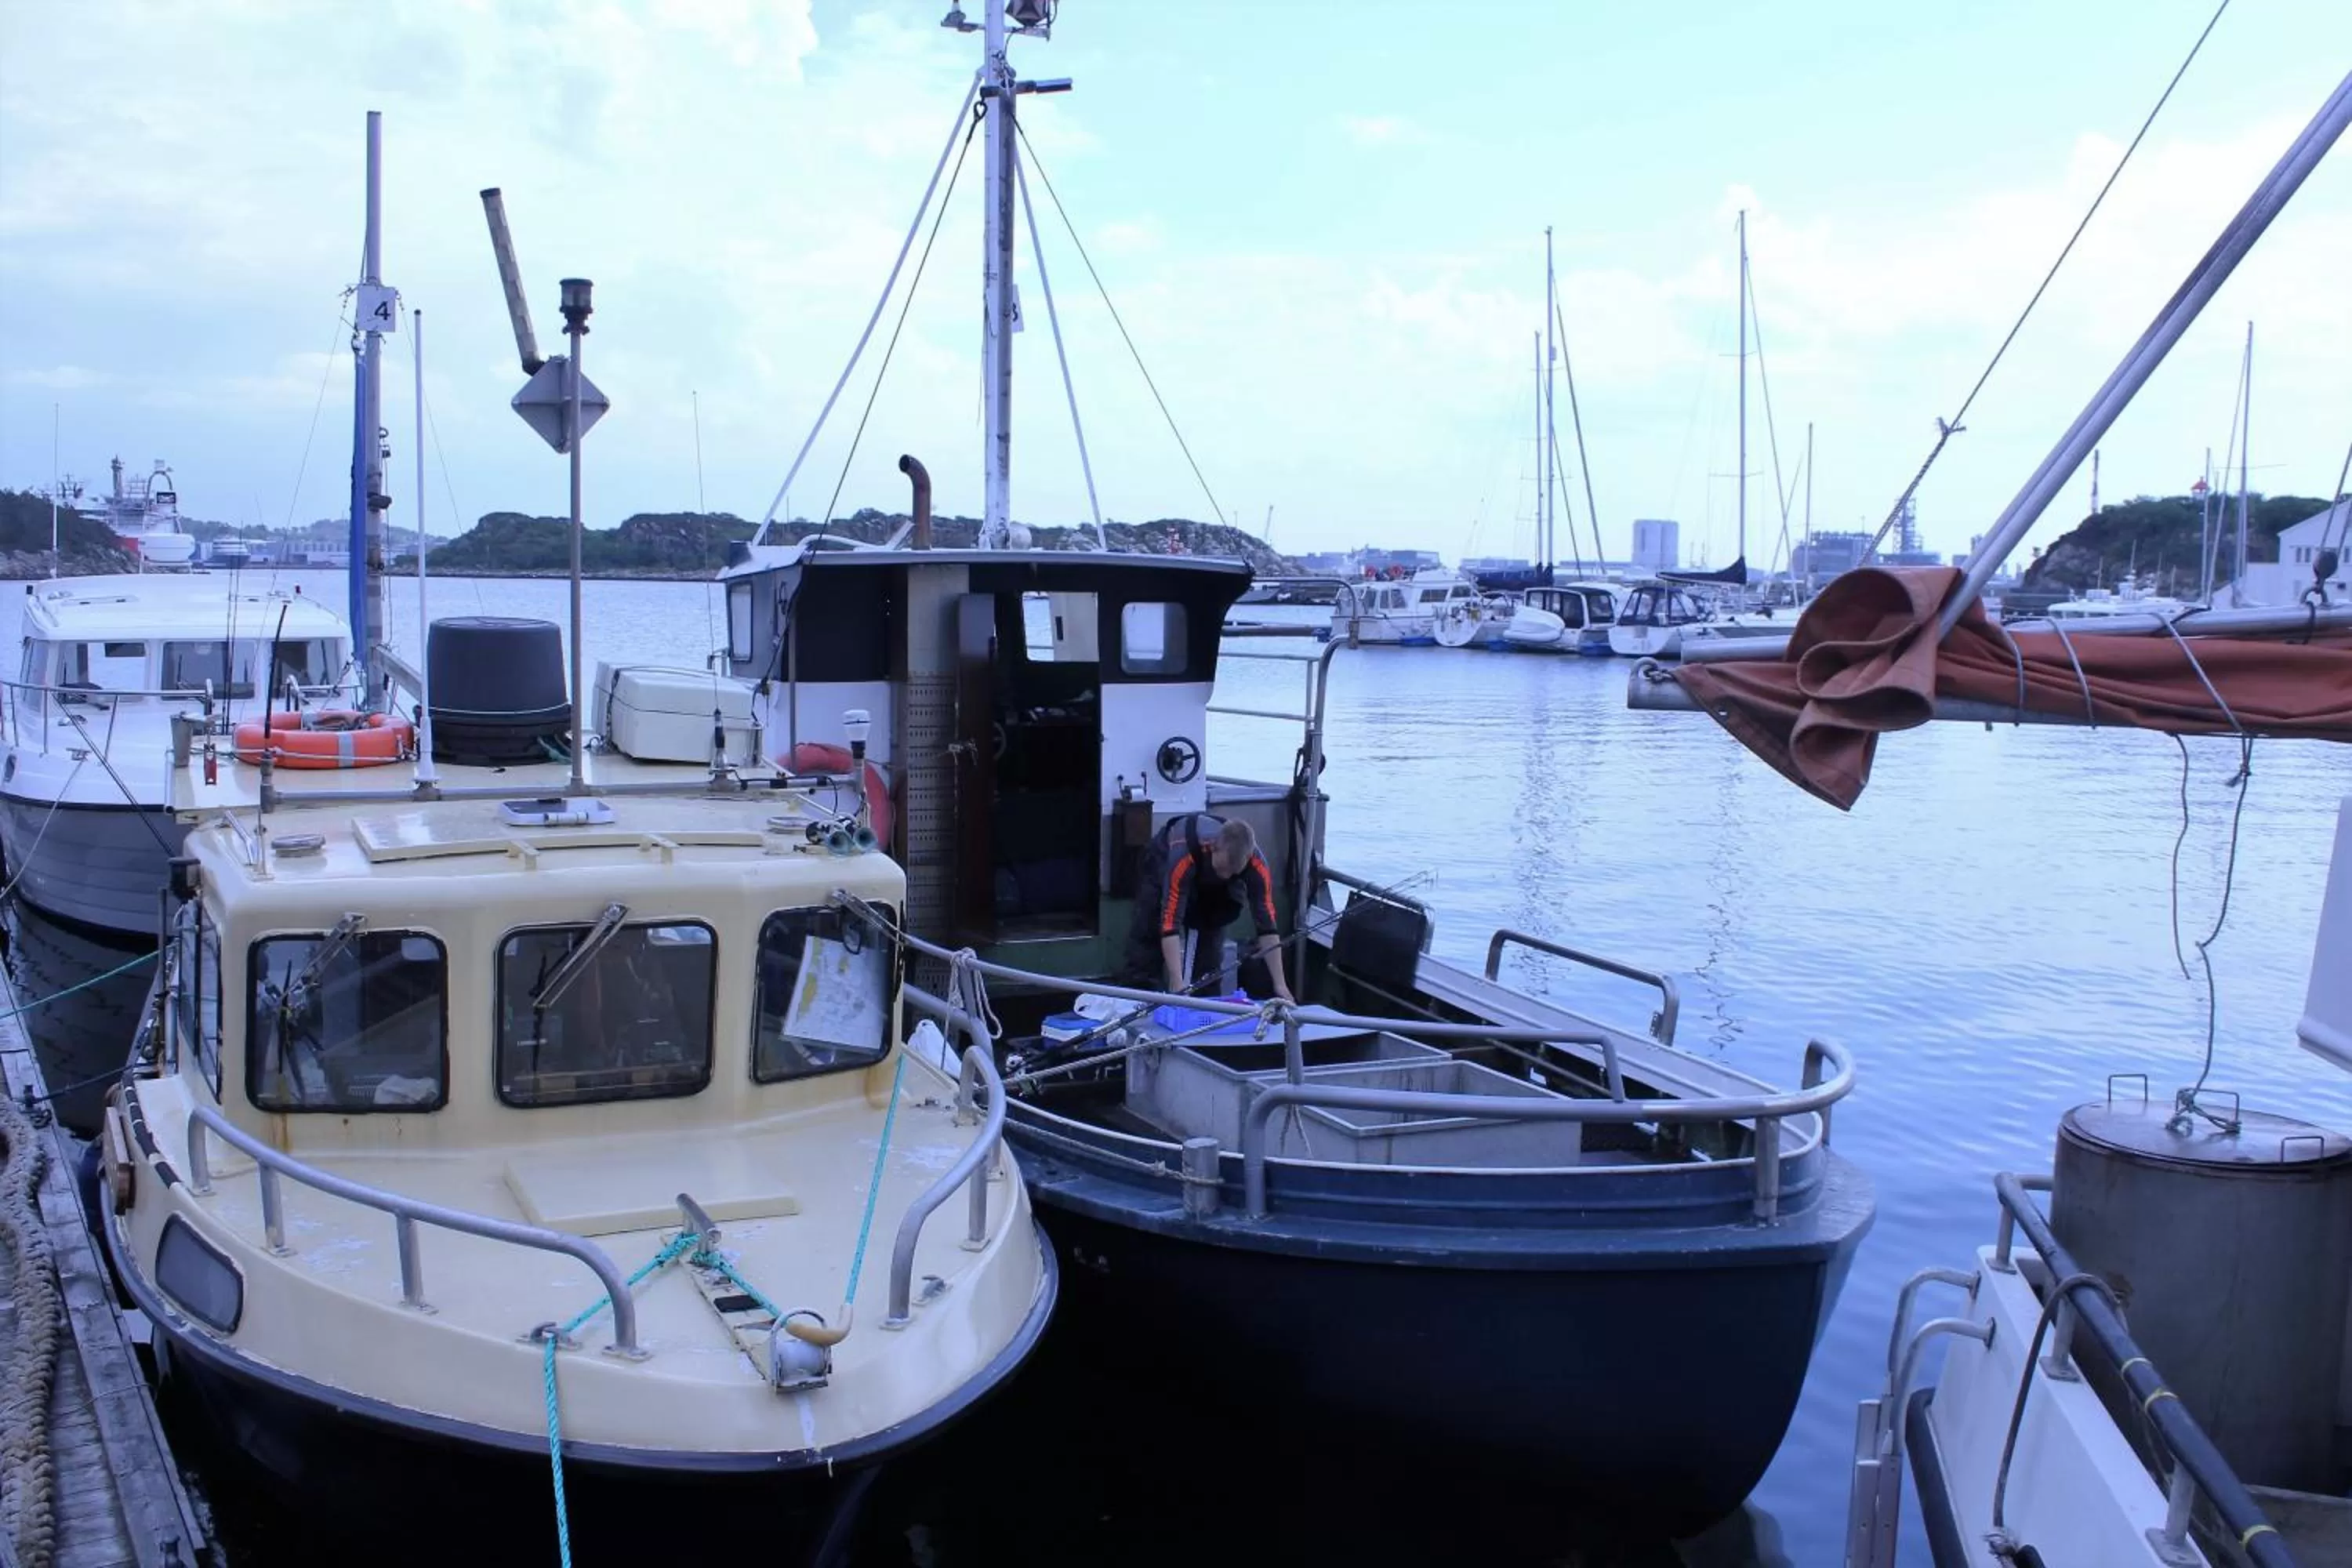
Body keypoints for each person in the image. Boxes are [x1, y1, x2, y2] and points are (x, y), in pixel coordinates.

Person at [1123, 814, 1294, 1003]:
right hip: (1166, 860)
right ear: (1213, 848)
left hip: (1211, 883)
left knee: (1211, 947)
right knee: (1149, 929)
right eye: (1223, 869)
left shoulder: (1257, 866)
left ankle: (1207, 1003)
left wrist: (1280, 985)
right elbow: (1169, 923)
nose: (1226, 875)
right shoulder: (1183, 855)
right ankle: (1142, 998)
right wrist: (1177, 982)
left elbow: (1267, 927)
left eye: (1233, 873)